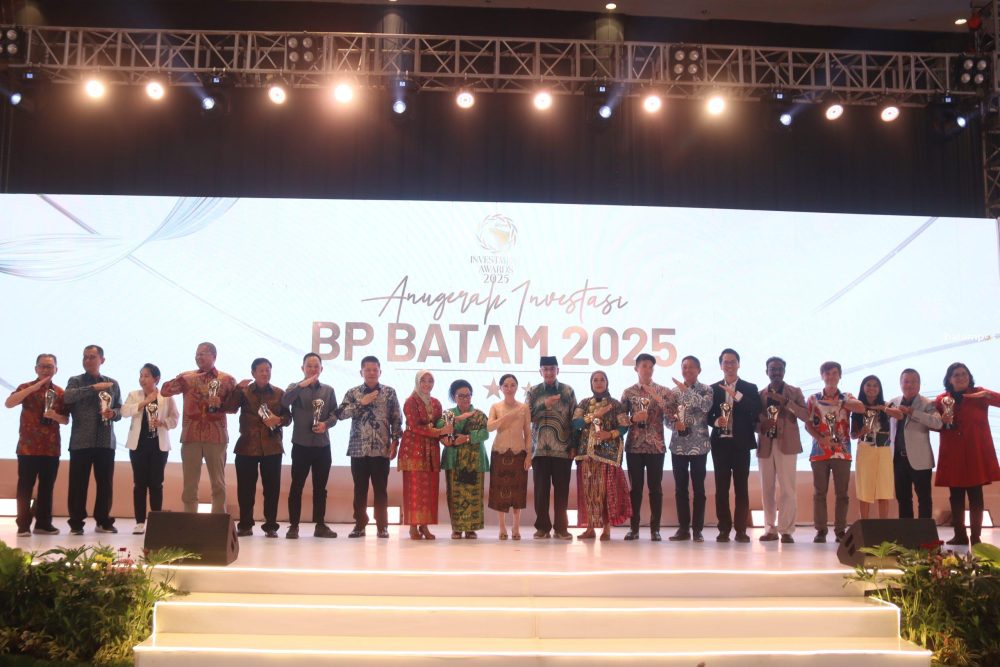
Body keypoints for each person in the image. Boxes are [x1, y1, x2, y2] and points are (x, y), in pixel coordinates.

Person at [161, 342, 236, 514]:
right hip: (191, 435)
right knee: (189, 483)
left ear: (214, 356)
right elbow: (165, 392)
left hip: (216, 436)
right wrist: (179, 378)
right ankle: (189, 520)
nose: (198, 357)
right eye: (197, 354)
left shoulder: (227, 379)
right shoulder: (187, 378)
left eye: (203, 354)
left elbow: (234, 407)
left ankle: (218, 521)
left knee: (218, 482)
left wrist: (221, 404)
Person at [223, 358, 290, 538]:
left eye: (268, 370)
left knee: (272, 489)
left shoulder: (279, 393)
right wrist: (237, 389)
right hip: (247, 447)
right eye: (261, 370)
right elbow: (229, 408)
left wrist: (279, 420)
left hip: (272, 448)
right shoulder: (244, 392)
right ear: (253, 373)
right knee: (245, 489)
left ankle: (270, 526)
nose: (265, 373)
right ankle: (245, 524)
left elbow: (288, 417)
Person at [934, 362, 1000, 546]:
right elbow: (934, 424)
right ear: (949, 379)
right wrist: (940, 420)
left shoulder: (979, 393)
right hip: (953, 453)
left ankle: (976, 538)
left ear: (969, 376)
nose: (961, 377)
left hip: (975, 453)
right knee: (955, 495)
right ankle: (960, 535)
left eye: (964, 374)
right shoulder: (941, 399)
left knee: (976, 495)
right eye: (956, 375)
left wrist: (989, 395)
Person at [338, 355, 402, 539]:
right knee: (360, 488)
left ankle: (382, 525)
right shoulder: (353, 393)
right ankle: (359, 524)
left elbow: (396, 419)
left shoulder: (389, 392)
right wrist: (361, 403)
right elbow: (340, 413)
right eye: (368, 370)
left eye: (375, 370)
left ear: (380, 371)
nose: (372, 373)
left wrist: (396, 442)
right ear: (361, 372)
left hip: (381, 449)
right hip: (358, 449)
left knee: (380, 489)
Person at [6, 354, 69, 537]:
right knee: (25, 486)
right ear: (36, 369)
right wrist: (35, 387)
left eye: (49, 367)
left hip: (51, 448)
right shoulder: (26, 387)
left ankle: (43, 523)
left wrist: (55, 416)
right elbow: (9, 403)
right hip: (28, 447)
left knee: (47, 487)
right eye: (42, 366)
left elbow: (66, 420)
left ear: (56, 369)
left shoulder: (60, 392)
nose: (46, 370)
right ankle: (23, 525)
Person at [63, 345, 122, 535]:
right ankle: (76, 523)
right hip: (81, 441)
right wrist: (92, 388)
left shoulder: (112, 383)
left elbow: (120, 409)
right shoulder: (75, 381)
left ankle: (103, 521)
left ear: (102, 360)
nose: (88, 360)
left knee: (105, 483)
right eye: (85, 357)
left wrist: (113, 412)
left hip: (105, 441)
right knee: (78, 484)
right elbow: (67, 397)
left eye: (92, 357)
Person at [281, 352, 339, 539]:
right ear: (302, 368)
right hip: (301, 444)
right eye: (309, 366)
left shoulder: (328, 390)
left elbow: (334, 414)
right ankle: (294, 526)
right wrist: (301, 386)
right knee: (296, 486)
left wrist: (326, 424)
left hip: (322, 446)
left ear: (321, 369)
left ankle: (320, 525)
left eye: (316, 366)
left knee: (320, 488)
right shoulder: (293, 387)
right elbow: (284, 402)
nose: (313, 369)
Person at [706, 348, 762, 543]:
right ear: (721, 365)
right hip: (720, 445)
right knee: (721, 488)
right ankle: (723, 529)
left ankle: (741, 530)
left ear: (738, 364)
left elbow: (755, 410)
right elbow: (707, 415)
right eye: (725, 362)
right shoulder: (712, 389)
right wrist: (715, 422)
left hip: (741, 444)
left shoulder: (749, 387)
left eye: (732, 362)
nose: (729, 365)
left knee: (741, 488)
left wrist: (736, 395)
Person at [805, 361, 863, 543]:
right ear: (822, 376)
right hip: (819, 452)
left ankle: (840, 530)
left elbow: (861, 407)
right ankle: (821, 530)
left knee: (842, 494)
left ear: (840, 376)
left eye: (834, 373)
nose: (831, 377)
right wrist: (821, 438)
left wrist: (842, 402)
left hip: (842, 452)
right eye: (827, 374)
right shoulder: (813, 398)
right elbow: (807, 424)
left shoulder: (847, 397)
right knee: (819, 493)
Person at [121, 363, 179, 535]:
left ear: (156, 379)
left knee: (156, 484)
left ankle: (156, 520)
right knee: (139, 484)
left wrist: (163, 423)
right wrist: (144, 403)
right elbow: (124, 412)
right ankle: (139, 522)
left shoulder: (166, 397)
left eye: (146, 376)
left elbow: (174, 419)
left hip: (158, 445)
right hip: (138, 445)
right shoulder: (134, 395)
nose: (142, 379)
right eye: (141, 375)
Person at [573, 370, 631, 541]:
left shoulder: (616, 405)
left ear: (607, 382)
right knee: (588, 492)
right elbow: (575, 423)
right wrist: (593, 416)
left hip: (608, 454)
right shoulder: (583, 403)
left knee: (605, 492)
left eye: (602, 380)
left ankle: (606, 529)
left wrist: (610, 434)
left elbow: (624, 426)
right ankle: (590, 528)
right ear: (591, 383)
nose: (598, 383)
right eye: (595, 380)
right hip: (586, 454)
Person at [620, 353, 672, 541]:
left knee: (655, 488)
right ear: (636, 368)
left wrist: (659, 400)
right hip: (634, 446)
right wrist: (633, 419)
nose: (647, 369)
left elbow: (672, 415)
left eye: (650, 366)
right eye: (644, 366)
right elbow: (620, 419)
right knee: (636, 489)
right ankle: (634, 528)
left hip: (656, 446)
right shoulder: (628, 392)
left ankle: (655, 529)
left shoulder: (663, 391)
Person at [756, 357, 808, 543]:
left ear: (784, 371)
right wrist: (762, 425)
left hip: (787, 444)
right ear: (766, 372)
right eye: (772, 369)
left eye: (779, 369)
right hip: (766, 445)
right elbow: (754, 421)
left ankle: (786, 530)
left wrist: (786, 402)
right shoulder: (760, 394)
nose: (776, 372)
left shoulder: (794, 392)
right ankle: (770, 529)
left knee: (788, 489)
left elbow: (806, 415)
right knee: (766, 489)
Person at [528, 355, 577, 540]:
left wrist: (574, 446)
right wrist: (544, 404)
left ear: (558, 370)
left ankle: (561, 528)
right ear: (540, 372)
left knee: (562, 491)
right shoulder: (533, 392)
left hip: (563, 449)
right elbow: (528, 416)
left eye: (552, 368)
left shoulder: (567, 391)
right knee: (541, 491)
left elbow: (574, 419)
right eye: (545, 369)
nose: (549, 372)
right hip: (539, 449)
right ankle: (542, 527)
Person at [667, 355, 714, 542]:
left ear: (699, 370)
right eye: (684, 367)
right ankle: (683, 528)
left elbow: (705, 407)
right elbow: (668, 417)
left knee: (699, 489)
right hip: (678, 445)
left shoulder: (706, 390)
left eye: (691, 367)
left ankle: (698, 529)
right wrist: (673, 425)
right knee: (680, 489)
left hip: (699, 445)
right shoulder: (673, 392)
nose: (687, 371)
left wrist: (686, 391)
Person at [885, 369, 940, 520]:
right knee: (903, 499)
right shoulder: (893, 402)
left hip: (920, 459)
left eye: (914, 381)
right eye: (906, 381)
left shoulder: (928, 403)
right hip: (898, 459)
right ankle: (906, 535)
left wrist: (911, 411)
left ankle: (925, 538)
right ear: (900, 383)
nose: (909, 385)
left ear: (919, 384)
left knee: (924, 499)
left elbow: (938, 423)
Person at [437, 379, 490, 539]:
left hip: (474, 462)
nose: (465, 399)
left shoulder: (479, 414)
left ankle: (471, 529)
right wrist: (457, 421)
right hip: (454, 461)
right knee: (454, 495)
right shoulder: (448, 414)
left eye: (468, 395)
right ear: (454, 397)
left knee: (474, 495)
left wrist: (467, 438)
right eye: (461, 396)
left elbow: (485, 433)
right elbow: (441, 429)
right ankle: (457, 528)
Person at [398, 370, 446, 540]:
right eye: (423, 380)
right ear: (417, 382)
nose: (427, 384)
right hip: (414, 448)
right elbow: (415, 426)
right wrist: (439, 431)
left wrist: (446, 433)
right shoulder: (410, 402)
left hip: (431, 449)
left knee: (430, 487)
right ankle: (412, 527)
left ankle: (424, 526)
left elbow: (440, 422)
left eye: (430, 381)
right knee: (415, 487)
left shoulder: (436, 403)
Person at [487, 373, 532, 540]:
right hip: (499, 452)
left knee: (517, 491)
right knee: (500, 492)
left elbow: (528, 433)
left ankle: (516, 526)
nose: (509, 388)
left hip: (519, 453)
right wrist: (506, 417)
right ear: (500, 388)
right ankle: (502, 526)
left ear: (516, 387)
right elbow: (490, 427)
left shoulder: (524, 408)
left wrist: (529, 455)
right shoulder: (496, 407)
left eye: (512, 385)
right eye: (505, 385)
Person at [850, 375, 893, 519]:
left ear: (879, 389)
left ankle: (883, 525)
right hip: (865, 450)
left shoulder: (887, 405)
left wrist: (882, 408)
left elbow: (899, 415)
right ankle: (864, 524)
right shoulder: (857, 406)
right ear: (863, 387)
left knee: (884, 489)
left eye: (875, 385)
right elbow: (852, 435)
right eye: (869, 385)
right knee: (865, 489)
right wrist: (862, 431)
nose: (872, 388)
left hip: (884, 450)